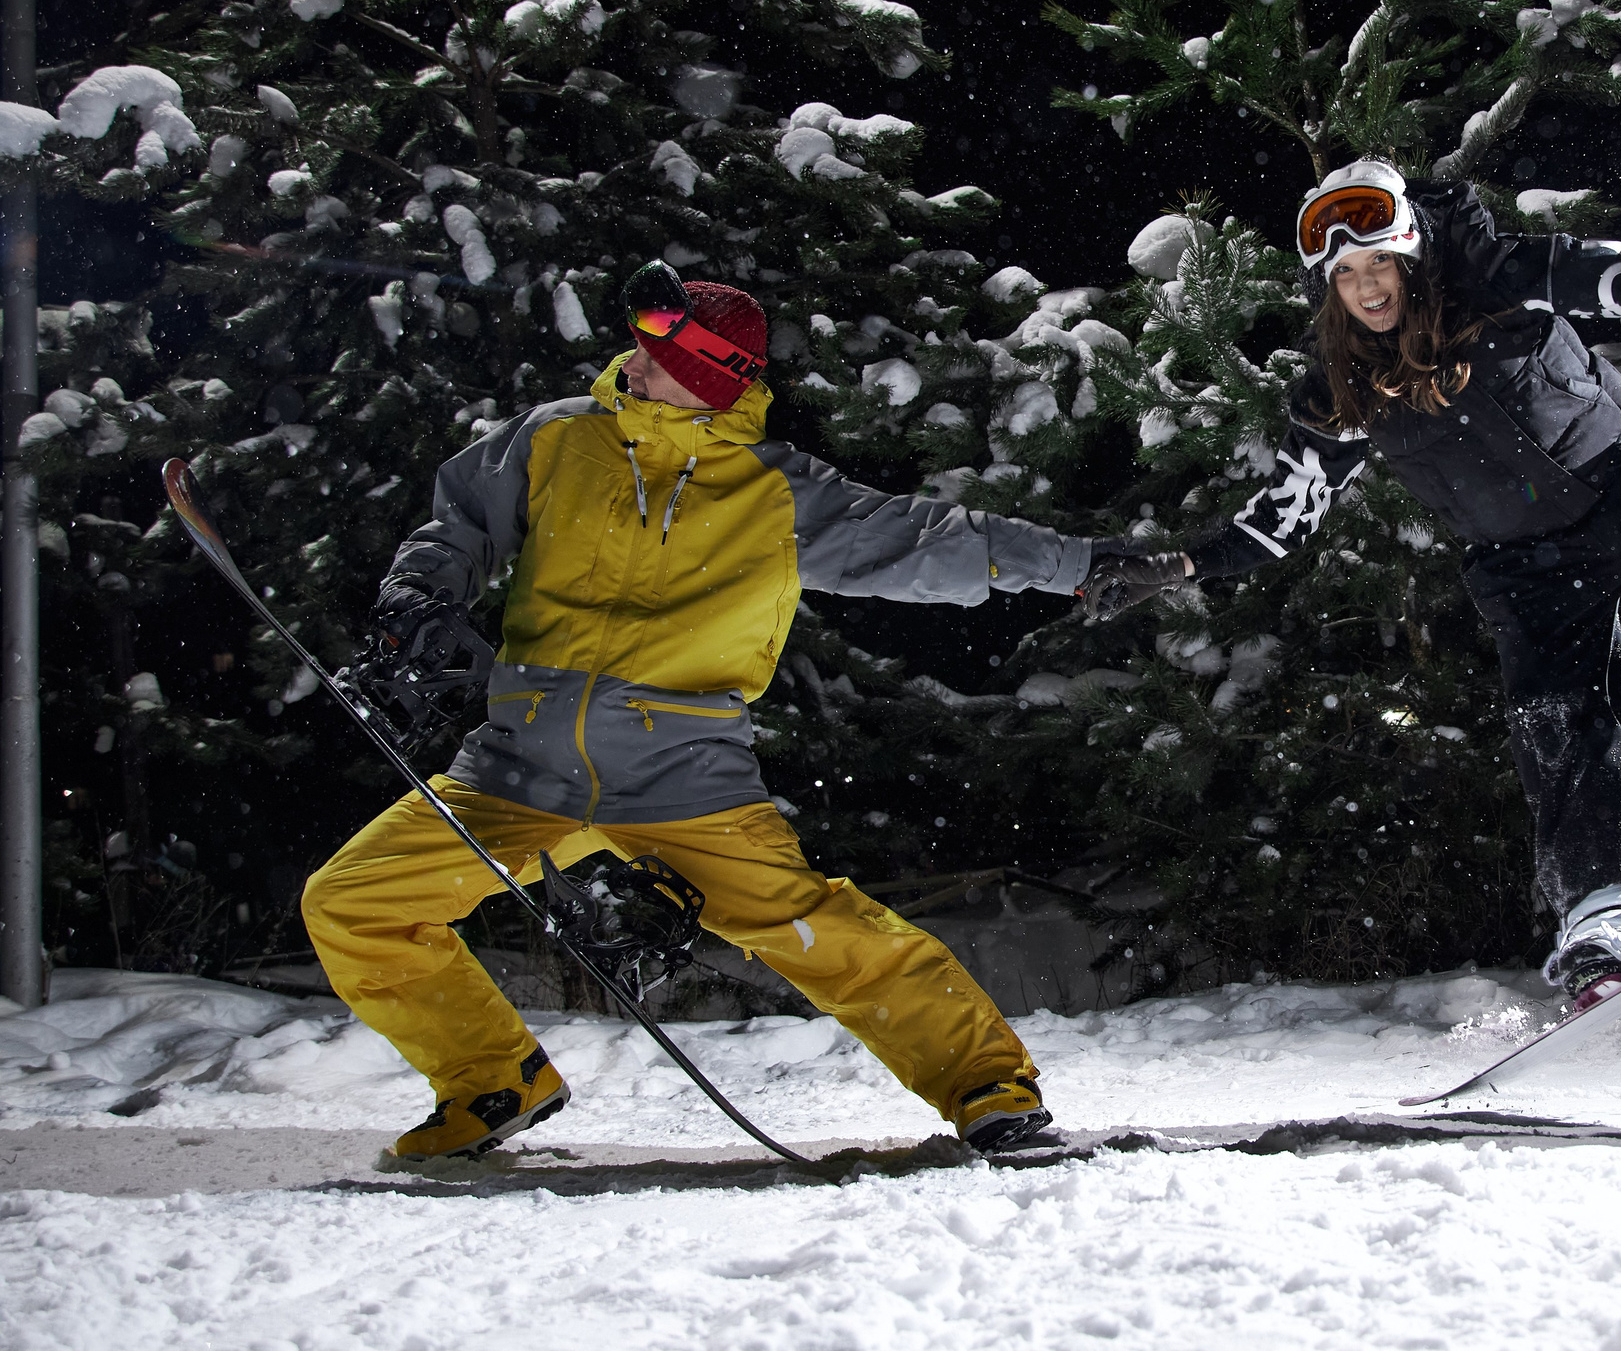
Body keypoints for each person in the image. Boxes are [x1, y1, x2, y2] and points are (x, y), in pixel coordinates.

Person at [305, 262, 1158, 1164]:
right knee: (355, 902)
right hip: (519, 768)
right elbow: (458, 529)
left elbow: (930, 541)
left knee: (820, 932)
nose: (633, 358)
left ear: (713, 374)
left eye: (658, 351)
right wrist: (416, 599)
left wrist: (1077, 563)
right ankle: (491, 1078)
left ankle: (988, 1088)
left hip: (683, 778)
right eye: (638, 343)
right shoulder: (555, 439)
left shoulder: (772, 492)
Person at [1118, 161, 1621, 1013]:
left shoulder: (1507, 275)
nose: (1366, 289)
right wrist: (1177, 566)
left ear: (1412, 254)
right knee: (1556, 719)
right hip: (1524, 560)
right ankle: (1611, 904)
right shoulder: (1340, 389)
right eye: (1346, 275)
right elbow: (1283, 514)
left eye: (1379, 266)